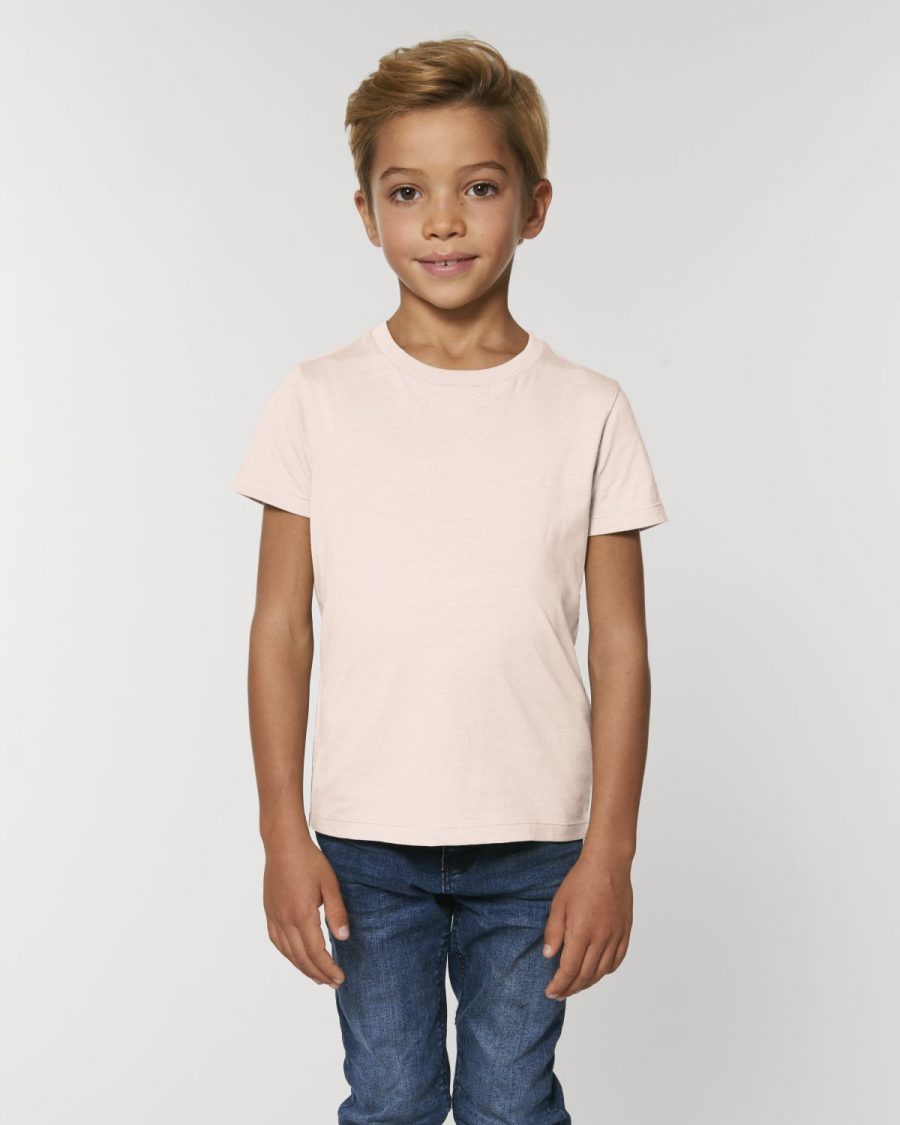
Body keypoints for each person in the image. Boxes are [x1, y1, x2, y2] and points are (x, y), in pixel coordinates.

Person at [232, 34, 668, 1125]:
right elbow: (282, 629)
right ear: (366, 213)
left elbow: (621, 648)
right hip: (366, 842)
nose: (441, 222)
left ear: (535, 205)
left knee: (511, 1106)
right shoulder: (316, 399)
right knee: (389, 1100)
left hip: (537, 843)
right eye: (406, 192)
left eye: (478, 187)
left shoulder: (590, 410)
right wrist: (282, 834)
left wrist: (610, 851)